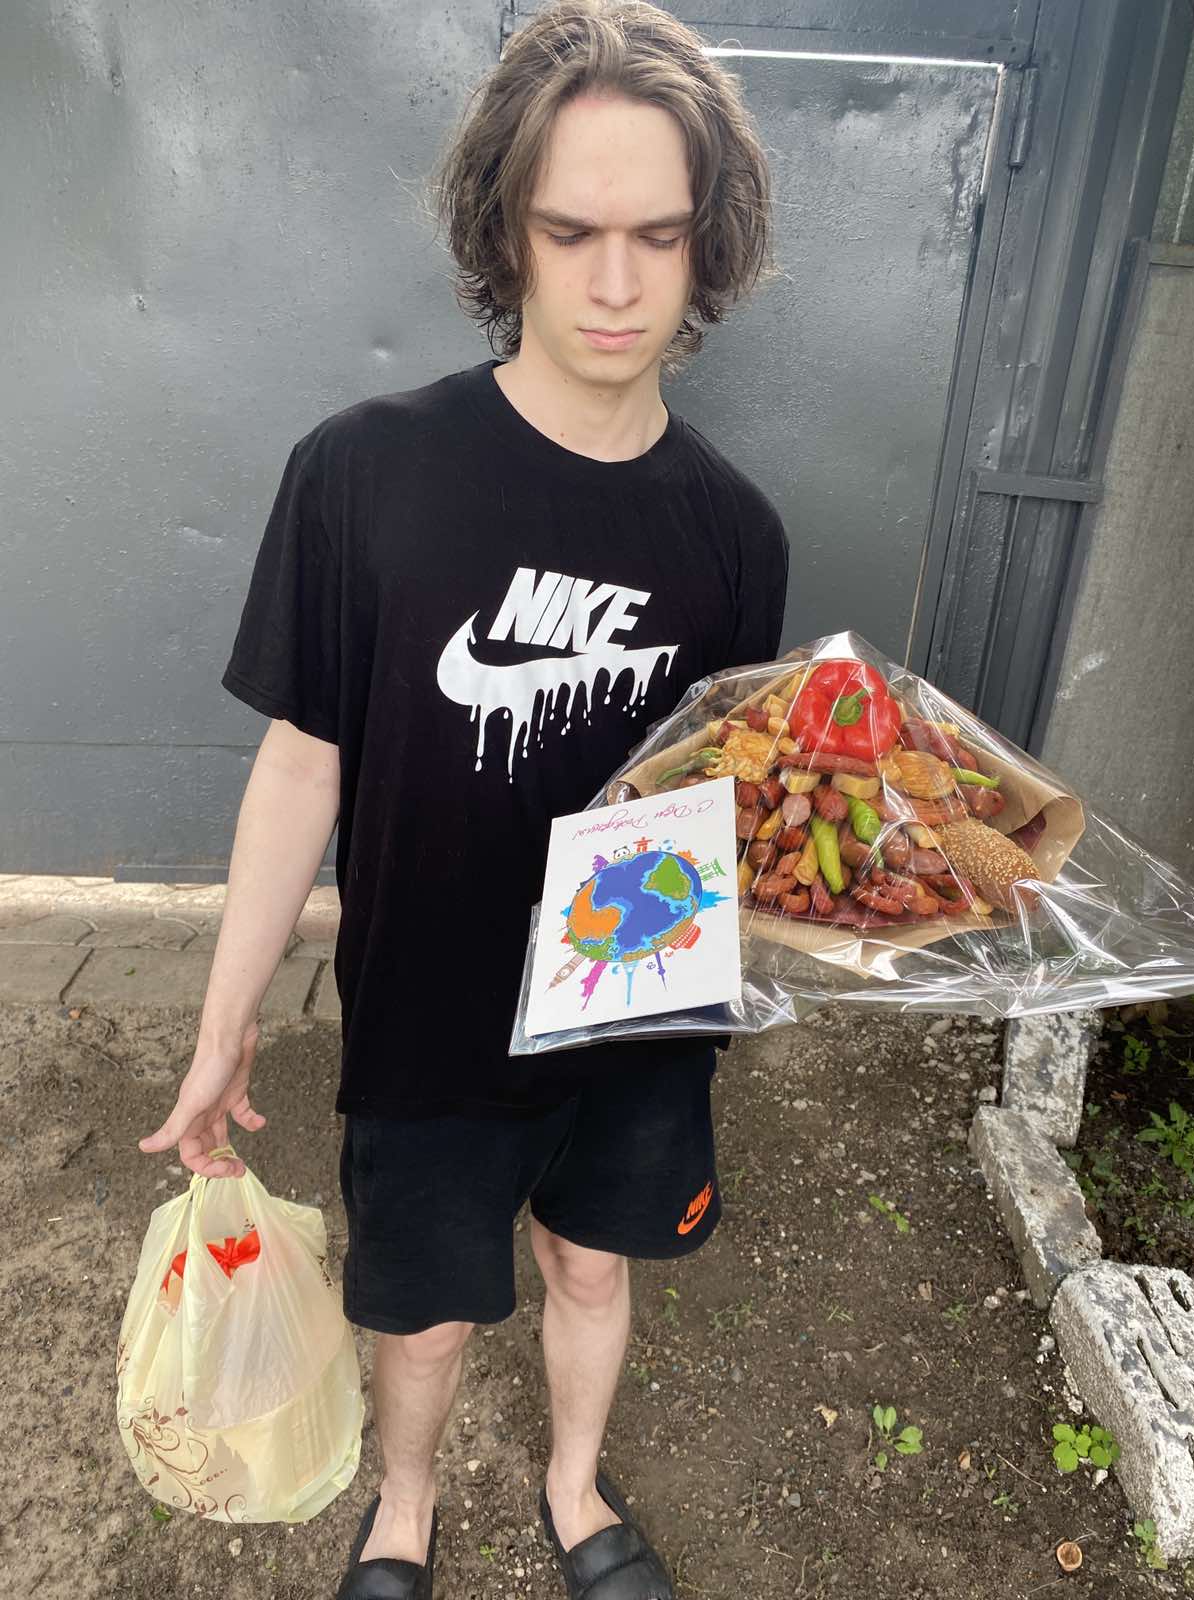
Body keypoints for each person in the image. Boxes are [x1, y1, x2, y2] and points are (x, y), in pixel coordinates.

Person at [138, 3, 788, 1596]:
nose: (618, 283)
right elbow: (304, 760)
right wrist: (225, 1022)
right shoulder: (364, 472)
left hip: (634, 1012)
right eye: (572, 232)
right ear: (506, 231)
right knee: (421, 1312)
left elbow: (712, 796)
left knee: (591, 1264)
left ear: (708, 246)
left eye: (659, 237)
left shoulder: (736, 534)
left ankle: (574, 1488)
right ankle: (406, 1506)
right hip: (428, 1013)